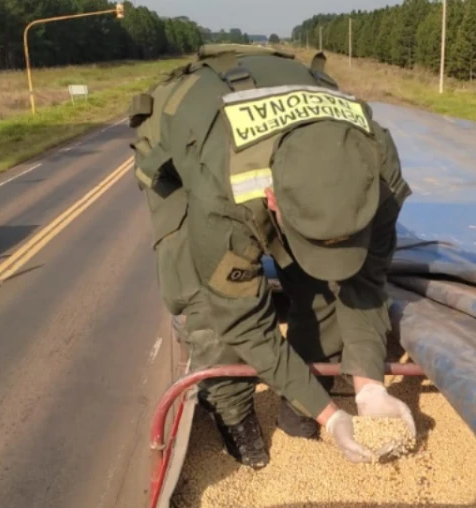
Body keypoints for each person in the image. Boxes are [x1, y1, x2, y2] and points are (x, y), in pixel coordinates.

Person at [129, 45, 416, 469]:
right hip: (186, 141)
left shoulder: (380, 169)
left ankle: (299, 409)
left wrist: (369, 387)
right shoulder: (224, 193)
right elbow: (243, 320)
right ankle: (232, 411)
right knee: (206, 309)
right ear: (272, 201)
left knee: (322, 293)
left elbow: (365, 283)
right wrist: (333, 414)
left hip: (292, 106)